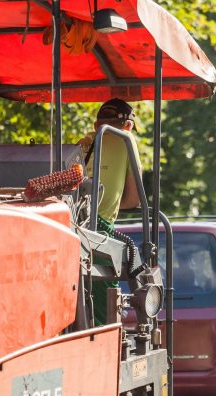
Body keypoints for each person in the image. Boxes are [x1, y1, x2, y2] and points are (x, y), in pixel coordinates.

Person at [77, 98, 141, 325]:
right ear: (129, 126)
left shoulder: (83, 144)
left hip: (71, 220)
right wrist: (111, 204)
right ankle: (109, 336)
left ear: (96, 125)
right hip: (99, 225)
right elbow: (134, 199)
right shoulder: (127, 140)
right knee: (106, 294)